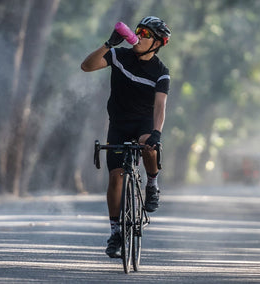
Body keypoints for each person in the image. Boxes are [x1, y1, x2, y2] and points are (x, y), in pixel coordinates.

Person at [80, 16, 171, 258]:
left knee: (148, 147)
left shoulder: (161, 72)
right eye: (138, 30)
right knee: (115, 178)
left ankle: (152, 184)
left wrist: (157, 133)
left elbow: (160, 107)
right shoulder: (120, 55)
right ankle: (115, 231)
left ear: (158, 43)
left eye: (146, 34)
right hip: (119, 123)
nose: (139, 36)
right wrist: (109, 43)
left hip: (144, 123)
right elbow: (86, 66)